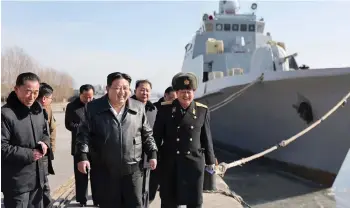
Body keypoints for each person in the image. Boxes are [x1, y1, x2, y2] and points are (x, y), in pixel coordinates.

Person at [75, 72, 158, 208]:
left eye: (126, 88)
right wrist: (82, 156)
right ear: (107, 89)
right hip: (104, 171)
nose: (123, 92)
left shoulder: (138, 107)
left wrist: (153, 153)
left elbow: (147, 134)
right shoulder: (93, 108)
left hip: (133, 170)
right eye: (118, 88)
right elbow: (83, 135)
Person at [153, 72, 216, 208]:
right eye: (182, 92)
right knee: (169, 201)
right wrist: (153, 157)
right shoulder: (165, 109)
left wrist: (211, 162)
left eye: (189, 92)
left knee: (195, 202)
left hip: (193, 164)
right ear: (176, 92)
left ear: (193, 92)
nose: (186, 95)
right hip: (170, 164)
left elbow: (206, 138)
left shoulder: (202, 111)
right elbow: (156, 137)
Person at [1, 72, 51, 208]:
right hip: (17, 183)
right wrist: (30, 154)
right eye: (28, 92)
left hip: (38, 179)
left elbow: (45, 132)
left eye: (36, 92)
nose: (32, 96)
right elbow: (2, 147)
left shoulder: (38, 110)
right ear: (16, 89)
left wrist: (45, 143)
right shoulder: (5, 114)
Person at [65, 84, 96, 207]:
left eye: (91, 97)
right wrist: (79, 128)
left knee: (96, 174)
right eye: (85, 97)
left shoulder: (96, 105)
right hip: (78, 144)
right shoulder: (72, 106)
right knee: (81, 174)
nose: (88, 100)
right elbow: (68, 124)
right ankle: (82, 199)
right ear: (80, 94)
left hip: (95, 146)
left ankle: (97, 197)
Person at [130, 79, 158, 206]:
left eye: (147, 90)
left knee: (146, 189)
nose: (144, 92)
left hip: (147, 157)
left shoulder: (154, 110)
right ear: (135, 90)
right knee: (131, 190)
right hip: (130, 157)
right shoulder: (127, 106)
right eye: (141, 89)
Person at [36, 82, 56, 208]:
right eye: (50, 99)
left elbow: (50, 130)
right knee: (42, 186)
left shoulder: (47, 110)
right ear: (44, 98)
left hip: (45, 152)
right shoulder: (34, 112)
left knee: (44, 184)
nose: (51, 101)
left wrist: (51, 149)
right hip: (37, 155)